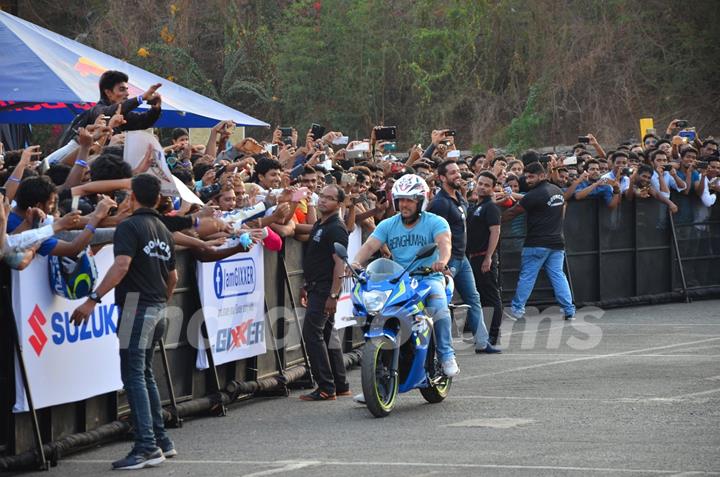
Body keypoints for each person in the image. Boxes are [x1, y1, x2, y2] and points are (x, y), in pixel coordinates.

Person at [70, 174, 177, 470]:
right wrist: (160, 301)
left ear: (131, 198)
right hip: (156, 307)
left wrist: (93, 298)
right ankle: (161, 440)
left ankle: (146, 446)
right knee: (144, 374)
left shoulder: (129, 226)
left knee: (133, 376)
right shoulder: (163, 229)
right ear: (157, 198)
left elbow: (122, 265)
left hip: (135, 306)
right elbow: (173, 277)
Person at [351, 174, 459, 378]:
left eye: (410, 200)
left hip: (429, 277)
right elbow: (370, 245)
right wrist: (356, 262)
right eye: (401, 199)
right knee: (374, 315)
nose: (404, 204)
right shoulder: (388, 224)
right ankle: (373, 383)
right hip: (399, 280)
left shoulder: (436, 222)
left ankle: (446, 354)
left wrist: (442, 262)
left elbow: (445, 244)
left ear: (421, 201)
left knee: (438, 306)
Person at [427, 160, 500, 353]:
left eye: (458, 171)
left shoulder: (459, 197)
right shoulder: (439, 203)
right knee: (440, 302)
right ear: (442, 178)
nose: (458, 175)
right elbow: (431, 232)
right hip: (448, 259)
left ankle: (482, 343)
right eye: (452, 173)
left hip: (462, 257)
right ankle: (436, 347)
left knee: (473, 298)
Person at [502, 161, 576, 320]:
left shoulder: (535, 195)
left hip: (537, 243)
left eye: (531, 176)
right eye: (526, 177)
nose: (528, 180)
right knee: (558, 275)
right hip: (557, 242)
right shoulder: (556, 190)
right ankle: (569, 309)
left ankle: (517, 309)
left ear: (542, 175)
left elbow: (513, 212)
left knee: (528, 276)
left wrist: (495, 220)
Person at [297, 184, 351, 401]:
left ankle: (325, 387)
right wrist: (305, 283)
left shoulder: (336, 228)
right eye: (322, 196)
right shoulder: (321, 223)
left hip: (325, 289)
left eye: (329, 198)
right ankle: (340, 384)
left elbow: (340, 264)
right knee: (328, 335)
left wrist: (334, 295)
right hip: (315, 285)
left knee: (312, 334)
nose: (323, 201)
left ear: (339, 204)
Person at [466, 171, 504, 346]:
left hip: (484, 257)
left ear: (493, 188)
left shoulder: (491, 207)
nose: (482, 187)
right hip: (473, 257)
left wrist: (488, 257)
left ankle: (493, 334)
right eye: (480, 183)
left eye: (487, 185)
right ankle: (483, 333)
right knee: (480, 297)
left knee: (490, 296)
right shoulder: (474, 206)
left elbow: (495, 232)